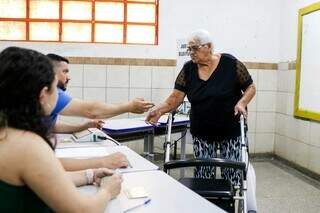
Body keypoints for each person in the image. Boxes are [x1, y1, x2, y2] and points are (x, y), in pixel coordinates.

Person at [146, 29, 257, 212]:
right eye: (189, 49)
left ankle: (234, 206)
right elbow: (175, 98)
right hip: (202, 133)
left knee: (233, 175)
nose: (191, 53)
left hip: (231, 131)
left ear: (209, 47)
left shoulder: (231, 64)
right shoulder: (188, 69)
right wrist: (159, 109)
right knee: (204, 176)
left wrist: (242, 103)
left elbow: (250, 87)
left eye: (194, 49)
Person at [0, 46, 122, 212]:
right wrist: (108, 191)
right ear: (43, 94)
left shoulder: (7, 133)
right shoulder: (27, 145)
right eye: (55, 88)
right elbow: (83, 211)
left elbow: (45, 179)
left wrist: (89, 175)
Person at [46, 53, 155, 171]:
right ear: (52, 74)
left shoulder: (48, 97)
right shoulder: (51, 93)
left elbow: (52, 126)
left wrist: (84, 126)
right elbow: (91, 111)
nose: (69, 77)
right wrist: (129, 106)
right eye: (65, 72)